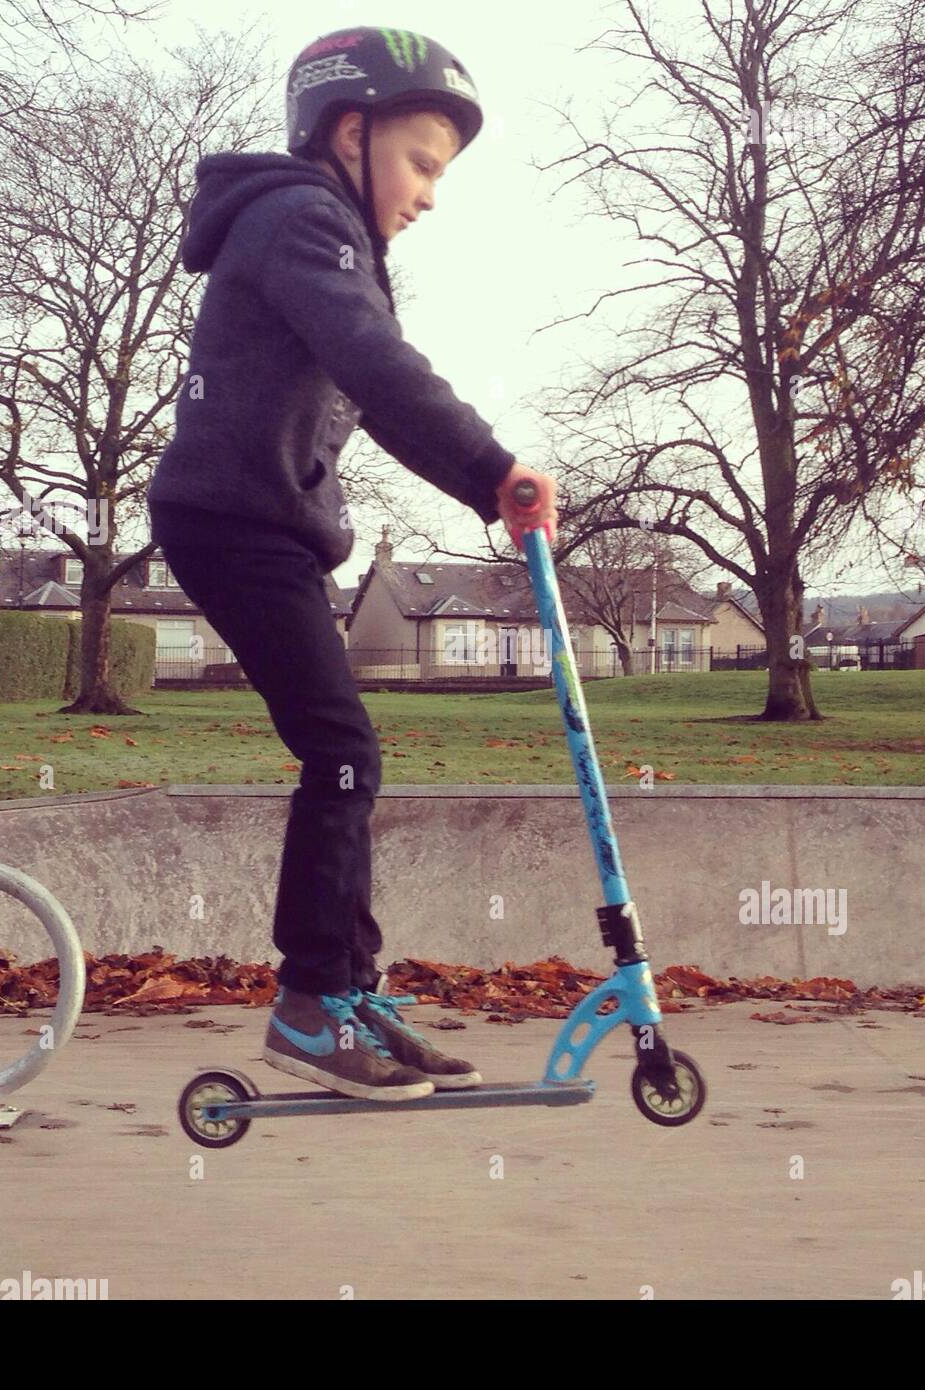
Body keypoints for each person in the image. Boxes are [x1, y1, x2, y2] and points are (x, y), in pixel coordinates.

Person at [147, 26, 558, 1102]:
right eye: (421, 162)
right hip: (232, 522)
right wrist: (495, 465)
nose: (430, 193)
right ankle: (310, 1002)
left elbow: (369, 396)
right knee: (340, 747)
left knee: (345, 750)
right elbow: (376, 363)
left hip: (262, 526)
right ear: (348, 131)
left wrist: (483, 487)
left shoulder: (321, 236)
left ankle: (349, 989)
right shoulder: (299, 216)